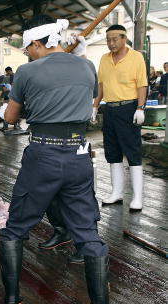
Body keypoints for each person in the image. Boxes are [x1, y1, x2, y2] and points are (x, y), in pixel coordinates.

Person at [0, 15, 110, 304]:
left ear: (36, 43)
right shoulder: (86, 67)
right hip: (78, 156)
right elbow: (91, 102)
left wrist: (3, 112)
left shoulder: (27, 71)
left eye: (27, 49)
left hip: (42, 156)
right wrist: (77, 58)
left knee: (16, 229)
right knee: (89, 235)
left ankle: (11, 299)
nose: (26, 54)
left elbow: (10, 117)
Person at [92, 25, 148, 211]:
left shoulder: (136, 57)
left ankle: (138, 197)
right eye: (108, 40)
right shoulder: (104, 59)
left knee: (132, 152)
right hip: (110, 109)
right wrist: (95, 105)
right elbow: (101, 84)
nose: (111, 43)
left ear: (124, 38)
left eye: (115, 39)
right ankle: (117, 193)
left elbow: (142, 85)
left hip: (129, 108)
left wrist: (140, 108)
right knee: (112, 152)